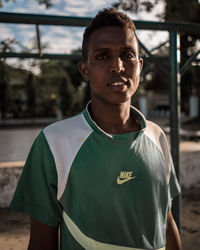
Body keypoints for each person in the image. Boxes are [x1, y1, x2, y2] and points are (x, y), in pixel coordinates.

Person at [10, 8, 182, 250]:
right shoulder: (53, 142)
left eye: (127, 54)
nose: (117, 66)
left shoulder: (156, 136)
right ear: (85, 70)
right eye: (102, 56)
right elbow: (41, 242)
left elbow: (166, 221)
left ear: (140, 66)